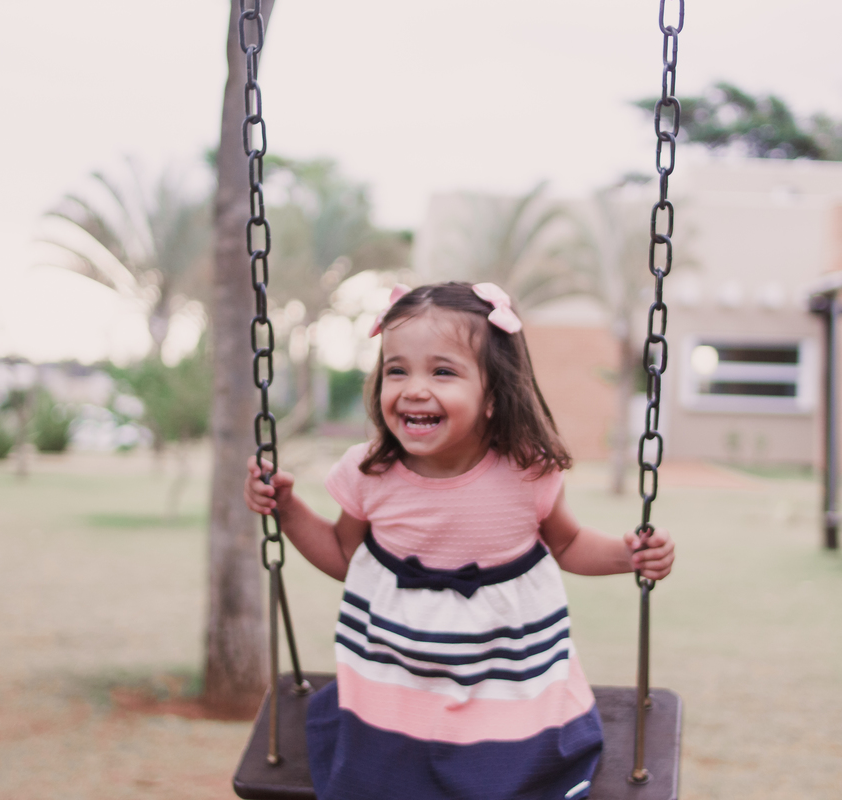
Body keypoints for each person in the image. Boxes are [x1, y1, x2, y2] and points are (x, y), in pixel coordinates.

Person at [244, 281, 675, 800]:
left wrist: (629, 556)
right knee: (380, 780)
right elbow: (342, 555)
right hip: (396, 685)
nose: (414, 388)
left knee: (508, 778)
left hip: (504, 684)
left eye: (442, 371)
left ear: (493, 395)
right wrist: (287, 508)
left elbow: (567, 544)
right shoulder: (369, 471)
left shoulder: (526, 471)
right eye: (397, 370)